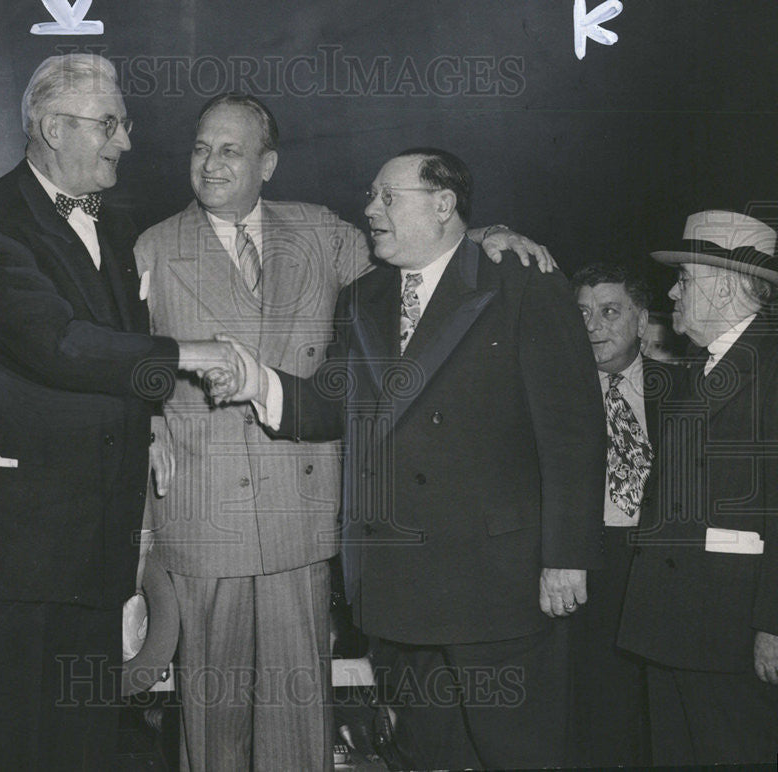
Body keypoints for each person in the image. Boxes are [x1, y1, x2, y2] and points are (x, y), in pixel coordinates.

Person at [133, 96, 554, 771]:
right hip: (206, 519)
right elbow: (121, 363)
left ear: (267, 164)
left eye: (231, 150)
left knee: (299, 720)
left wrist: (486, 236)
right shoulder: (151, 246)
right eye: (201, 148)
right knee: (211, 722)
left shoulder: (322, 232)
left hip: (301, 515)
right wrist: (144, 426)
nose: (211, 163)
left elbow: (422, 260)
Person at [218, 147, 606, 769]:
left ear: (444, 204)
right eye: (372, 196)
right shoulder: (362, 297)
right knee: (425, 754)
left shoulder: (522, 284)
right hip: (399, 589)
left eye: (387, 196)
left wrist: (566, 557)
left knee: (517, 751)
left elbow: (574, 434)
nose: (370, 209)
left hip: (497, 585)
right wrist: (256, 383)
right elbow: (328, 403)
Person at [0, 54, 241, 770]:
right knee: (4, 747)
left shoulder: (110, 219)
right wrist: (188, 354)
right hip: (15, 556)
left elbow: (116, 356)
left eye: (122, 124)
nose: (125, 142)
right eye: (109, 125)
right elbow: (60, 344)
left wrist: (154, 421)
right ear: (48, 128)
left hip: (94, 552)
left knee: (81, 748)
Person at [617, 210, 778, 765]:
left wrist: (773, 624)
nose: (672, 290)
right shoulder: (705, 366)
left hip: (732, 632)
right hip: (674, 623)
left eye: (685, 278)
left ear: (729, 287)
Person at [569, 262, 685, 766]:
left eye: (610, 311)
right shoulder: (555, 395)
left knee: (658, 711)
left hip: (660, 564)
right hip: (584, 565)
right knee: (594, 707)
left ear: (642, 322)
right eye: (584, 313)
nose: (594, 325)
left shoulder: (685, 390)